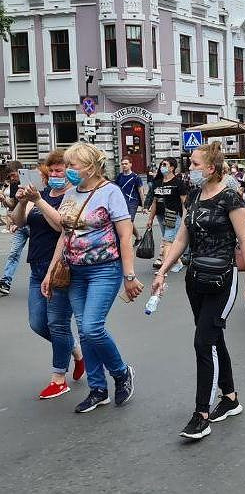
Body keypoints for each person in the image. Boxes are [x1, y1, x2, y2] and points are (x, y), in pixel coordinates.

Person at [153, 142, 245, 440]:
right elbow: (181, 238)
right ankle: (230, 397)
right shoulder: (195, 195)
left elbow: (244, 240)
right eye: (190, 163)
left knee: (203, 342)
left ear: (211, 168)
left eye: (195, 164)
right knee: (214, 337)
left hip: (223, 278)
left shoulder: (230, 198)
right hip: (196, 278)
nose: (190, 168)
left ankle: (201, 414)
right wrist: (162, 271)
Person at [42, 142, 141, 413]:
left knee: (91, 328)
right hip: (74, 271)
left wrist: (129, 275)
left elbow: (125, 236)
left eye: (72, 165)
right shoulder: (71, 194)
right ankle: (98, 389)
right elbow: (65, 234)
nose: (68, 170)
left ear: (89, 167)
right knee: (85, 332)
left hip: (104, 269)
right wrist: (51, 271)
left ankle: (121, 372)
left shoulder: (111, 192)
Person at [12, 150, 84, 399]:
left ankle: (58, 378)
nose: (54, 175)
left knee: (57, 324)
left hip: (60, 268)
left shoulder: (72, 197)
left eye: (59, 171)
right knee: (38, 323)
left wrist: (38, 201)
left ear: (68, 172)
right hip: (37, 267)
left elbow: (59, 226)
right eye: (51, 171)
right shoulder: (41, 194)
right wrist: (23, 201)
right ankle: (76, 351)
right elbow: (19, 222)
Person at [145, 157, 188, 272]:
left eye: (164, 165)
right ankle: (178, 261)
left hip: (173, 215)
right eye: (161, 164)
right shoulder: (157, 183)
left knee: (167, 241)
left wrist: (185, 218)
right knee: (169, 240)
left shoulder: (178, 183)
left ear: (172, 168)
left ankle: (165, 266)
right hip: (160, 215)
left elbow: (184, 202)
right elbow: (154, 202)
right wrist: (150, 219)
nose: (161, 167)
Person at [0, 160, 27, 295]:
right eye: (9, 176)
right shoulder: (14, 185)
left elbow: (34, 204)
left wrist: (18, 222)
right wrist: (3, 200)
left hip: (34, 224)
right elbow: (13, 205)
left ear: (19, 172)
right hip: (20, 226)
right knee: (14, 253)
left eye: (13, 175)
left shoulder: (30, 183)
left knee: (42, 256)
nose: (11, 178)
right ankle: (5, 282)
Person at [115, 158, 144, 243]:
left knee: (128, 222)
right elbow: (116, 189)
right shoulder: (119, 176)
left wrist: (144, 205)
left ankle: (126, 242)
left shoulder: (136, 177)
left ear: (130, 164)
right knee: (126, 221)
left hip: (132, 202)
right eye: (122, 164)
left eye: (126, 163)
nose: (124, 165)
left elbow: (141, 191)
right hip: (122, 202)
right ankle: (138, 237)